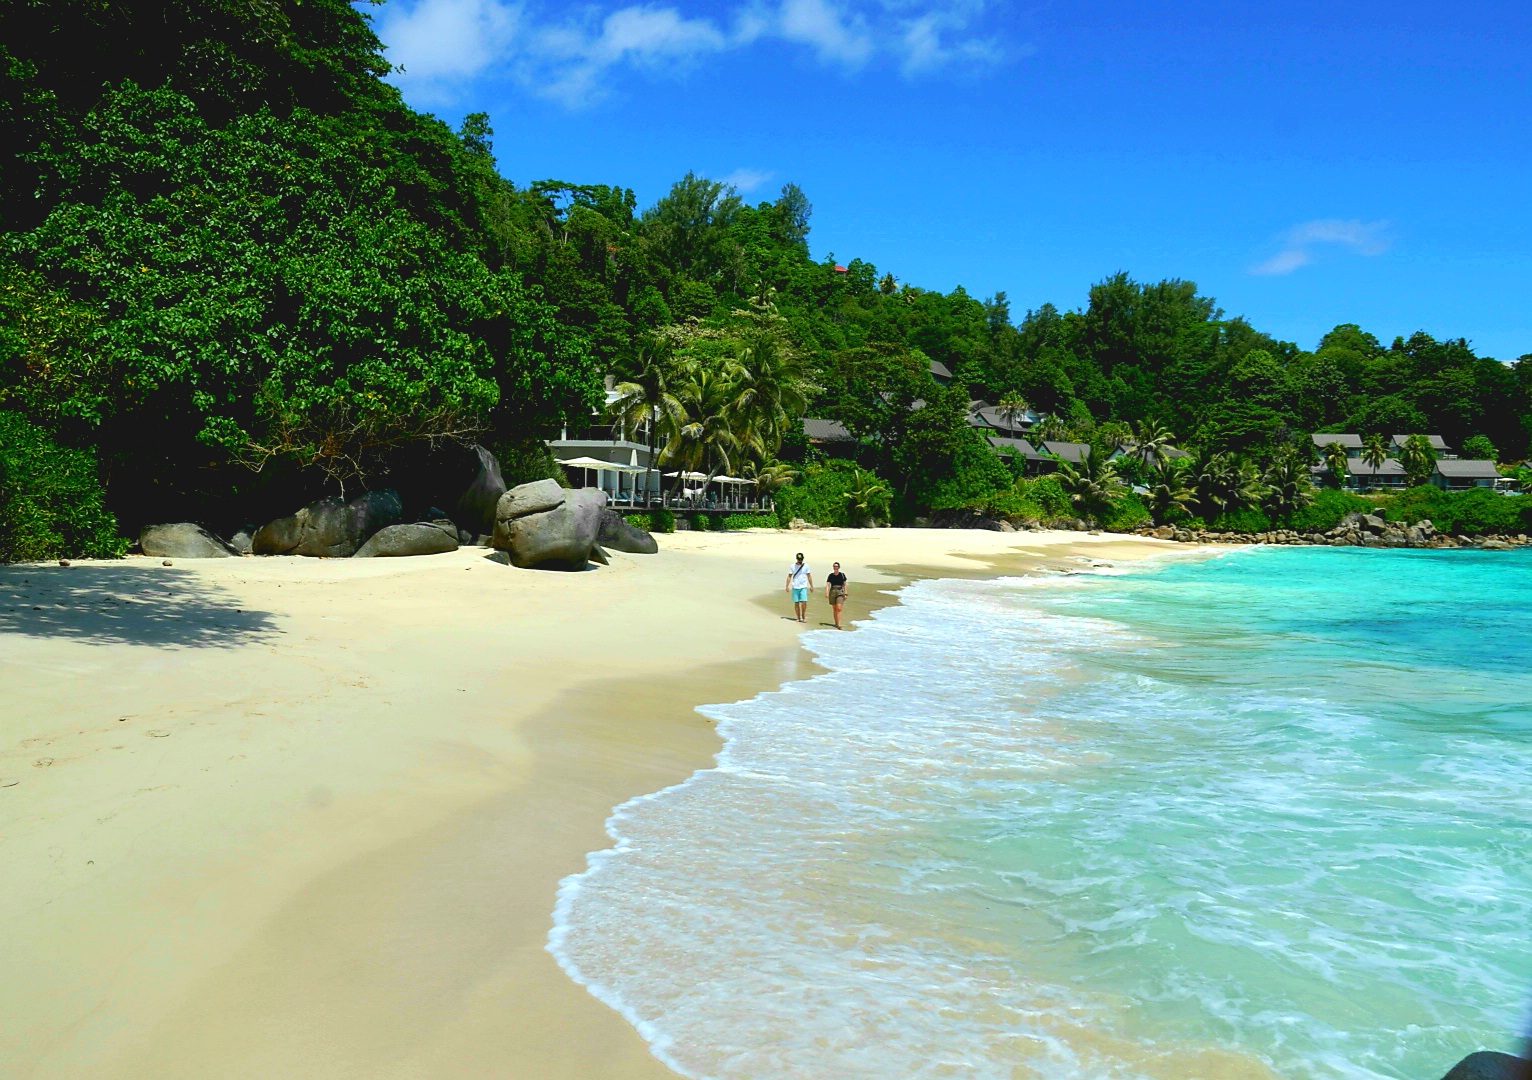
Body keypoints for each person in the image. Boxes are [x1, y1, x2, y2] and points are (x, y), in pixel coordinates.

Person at [785, 552, 813, 623]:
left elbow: (809, 576)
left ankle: (803, 616)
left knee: (804, 602)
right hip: (795, 586)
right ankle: (798, 617)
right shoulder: (792, 566)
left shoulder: (806, 566)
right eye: (799, 559)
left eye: (801, 559)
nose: (800, 561)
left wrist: (811, 585)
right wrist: (787, 586)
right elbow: (789, 576)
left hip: (803, 586)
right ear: (797, 559)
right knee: (796, 603)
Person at [825, 562, 849, 630]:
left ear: (839, 567)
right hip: (832, 591)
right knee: (834, 608)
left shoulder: (842, 575)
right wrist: (827, 592)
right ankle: (836, 622)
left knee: (839, 608)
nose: (835, 567)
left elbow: (844, 584)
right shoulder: (830, 575)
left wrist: (846, 593)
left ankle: (839, 624)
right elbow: (828, 584)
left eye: (836, 566)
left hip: (840, 591)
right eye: (834, 566)